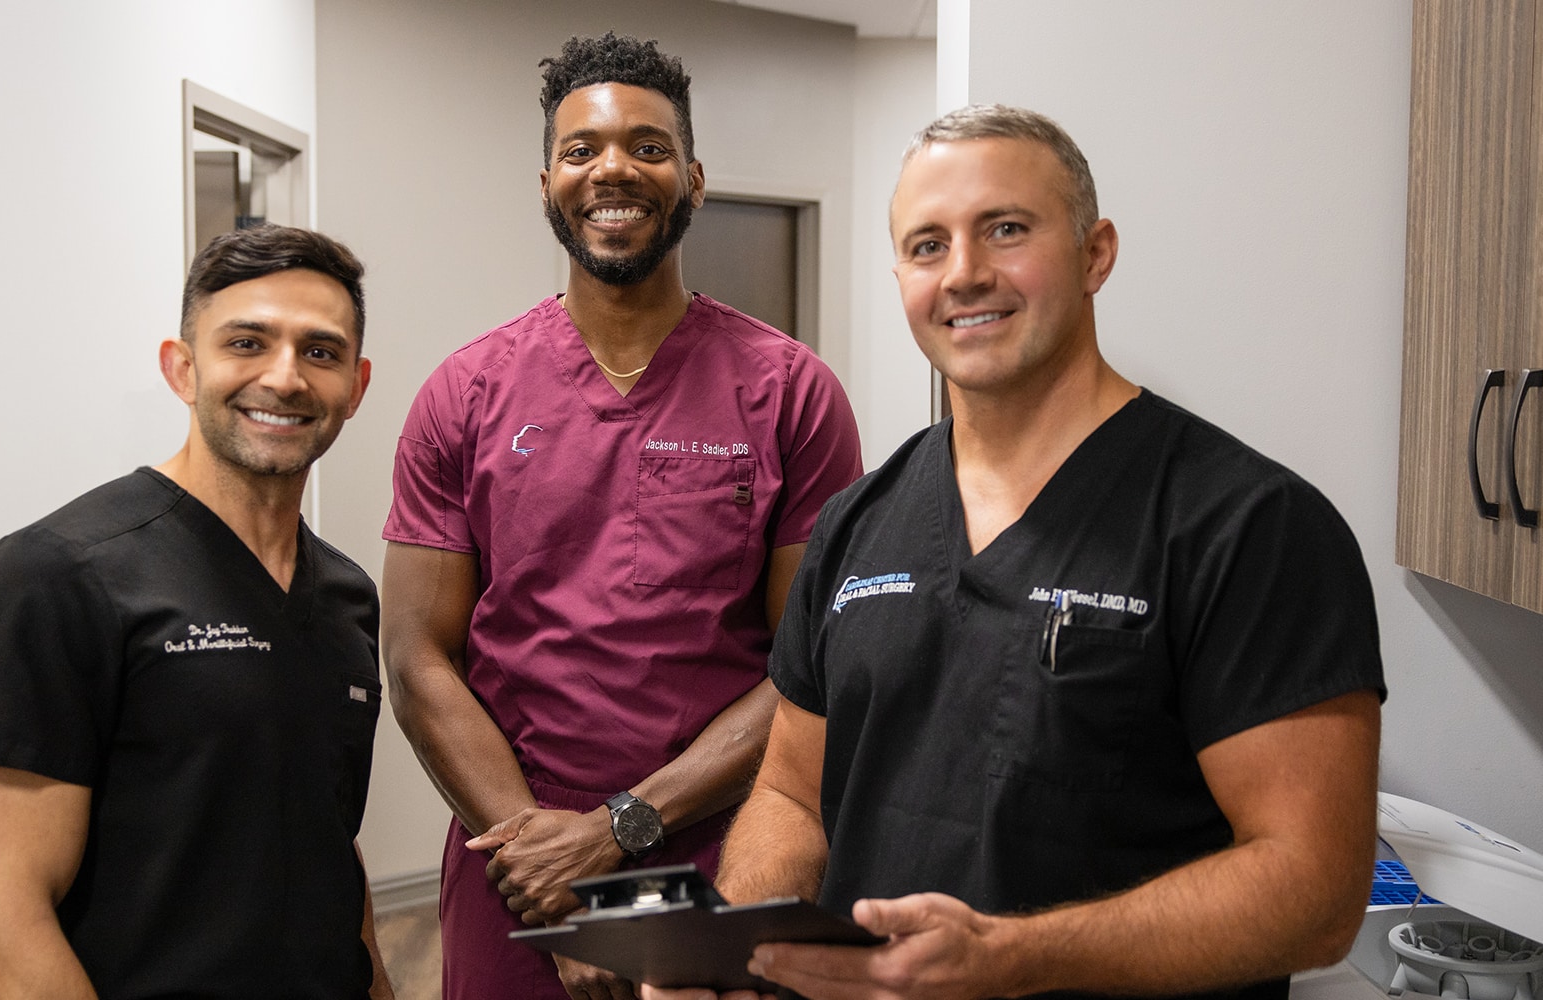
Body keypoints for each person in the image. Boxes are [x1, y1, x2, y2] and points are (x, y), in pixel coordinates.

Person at [646, 105, 1387, 1000]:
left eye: (1004, 229)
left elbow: (1314, 891)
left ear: (1095, 253)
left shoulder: (1248, 528)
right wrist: (729, 945)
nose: (963, 274)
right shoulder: (855, 526)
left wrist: (1009, 962)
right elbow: (793, 800)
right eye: (927, 246)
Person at [379, 32, 863, 1000]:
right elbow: (417, 658)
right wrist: (546, 873)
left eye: (647, 146)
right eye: (582, 148)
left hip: (722, 851)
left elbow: (808, 664)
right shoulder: (464, 394)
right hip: (511, 857)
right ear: (547, 179)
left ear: (691, 175)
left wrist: (614, 832)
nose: (613, 169)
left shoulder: (790, 392)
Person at [0, 224, 395, 1000]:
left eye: (319, 352)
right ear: (181, 369)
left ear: (356, 386)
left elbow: (329, 845)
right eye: (247, 343)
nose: (284, 378)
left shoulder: (347, 596)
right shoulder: (57, 576)